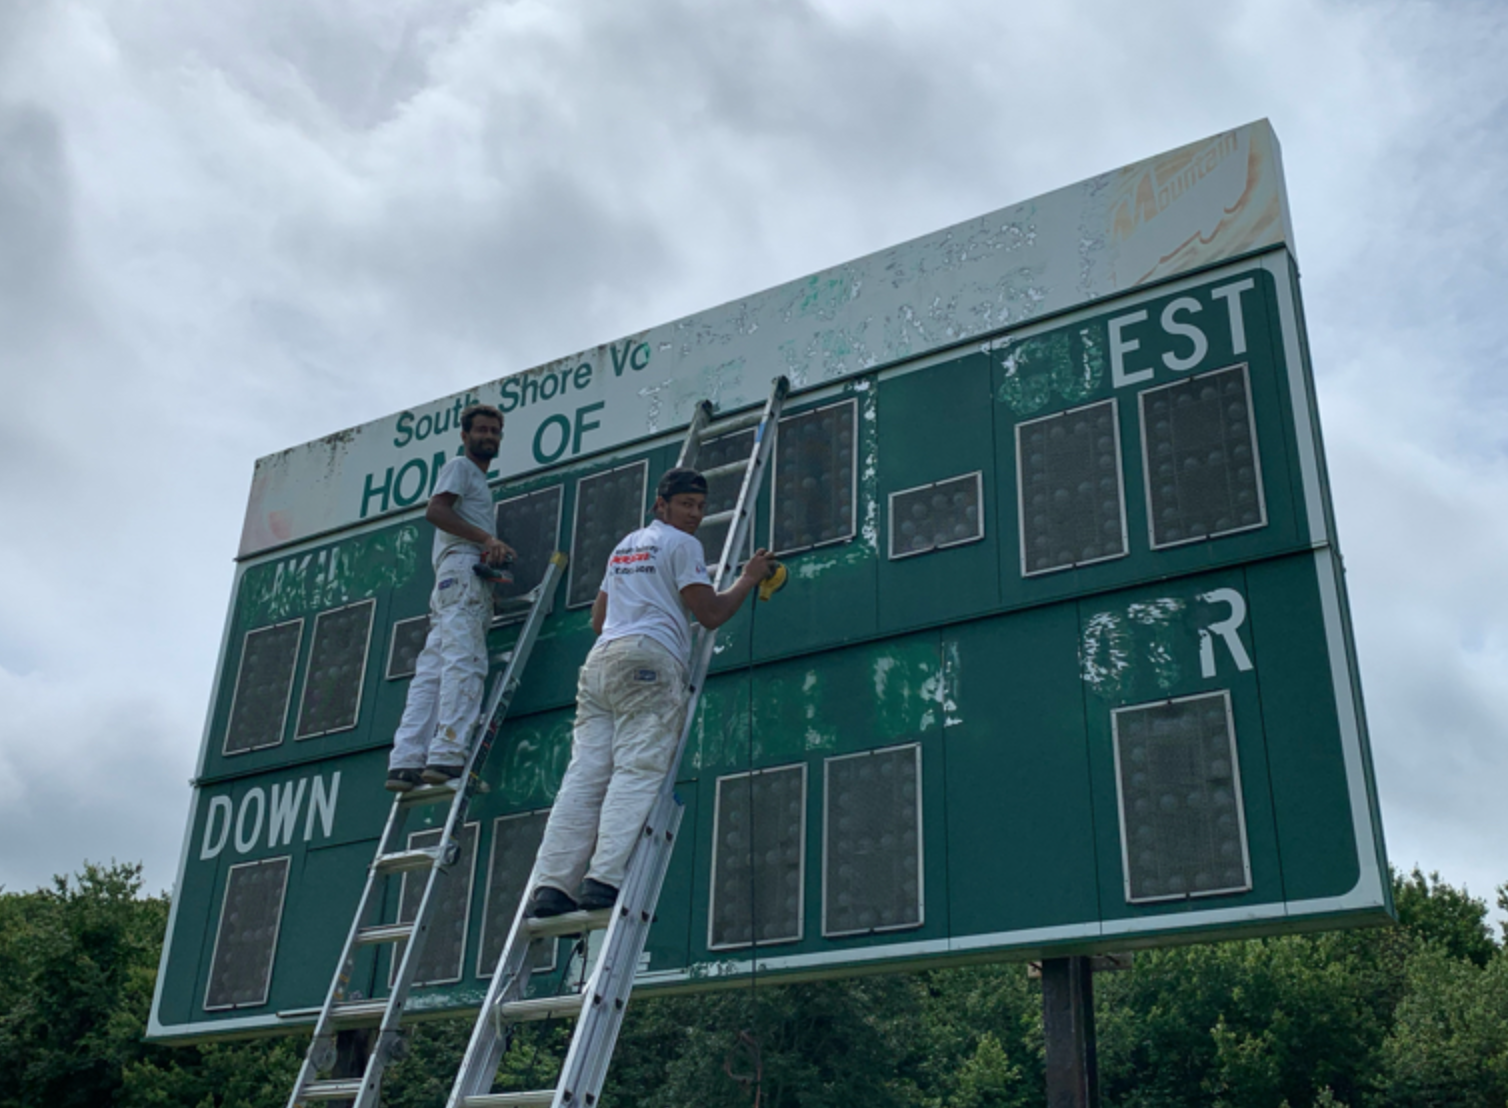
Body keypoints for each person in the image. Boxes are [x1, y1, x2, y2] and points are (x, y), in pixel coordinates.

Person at [525, 467, 775, 916]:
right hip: (649, 662)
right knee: (636, 770)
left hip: (601, 663)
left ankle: (551, 887)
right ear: (661, 504)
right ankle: (603, 881)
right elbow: (712, 613)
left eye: (700, 506)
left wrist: (656, 610)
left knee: (583, 778)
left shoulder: (623, 547)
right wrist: (749, 578)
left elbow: (599, 621)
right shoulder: (684, 545)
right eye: (686, 504)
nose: (695, 514)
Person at [385, 404, 517, 791]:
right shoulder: (461, 467)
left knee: (432, 670)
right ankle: (448, 754)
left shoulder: (473, 478)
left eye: (494, 431)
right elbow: (436, 510)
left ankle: (407, 759)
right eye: (481, 430)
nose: (488, 436)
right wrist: (487, 540)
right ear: (464, 435)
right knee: (466, 661)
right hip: (462, 572)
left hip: (450, 580)